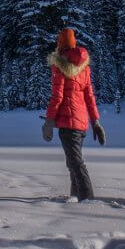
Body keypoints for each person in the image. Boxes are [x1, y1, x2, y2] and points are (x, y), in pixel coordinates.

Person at [42, 28, 106, 201]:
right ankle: (76, 197)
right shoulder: (84, 68)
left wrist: (49, 121)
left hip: (67, 123)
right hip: (81, 124)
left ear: (60, 44)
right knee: (73, 162)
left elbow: (57, 96)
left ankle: (88, 199)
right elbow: (89, 97)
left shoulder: (59, 64)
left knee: (76, 163)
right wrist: (96, 122)